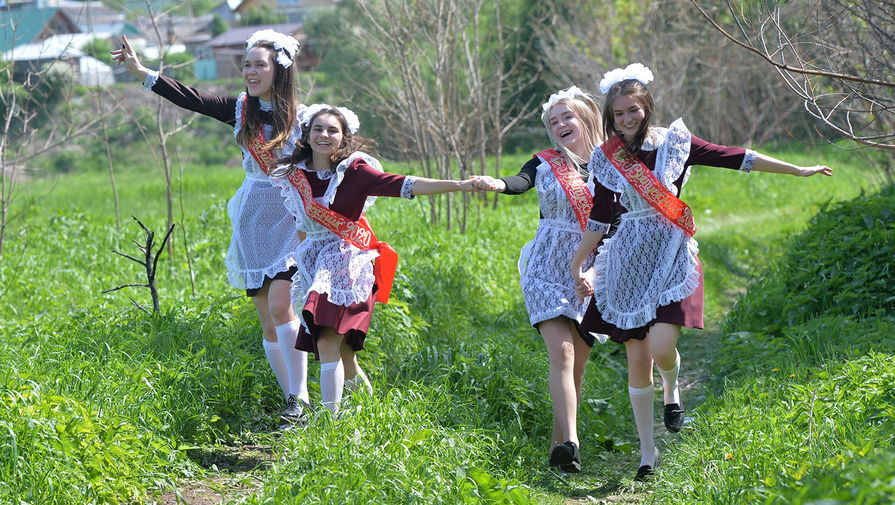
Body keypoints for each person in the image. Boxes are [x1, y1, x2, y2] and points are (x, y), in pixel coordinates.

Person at [570, 63, 833, 481]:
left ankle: (672, 390)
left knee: (660, 348)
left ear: (646, 108)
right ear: (610, 117)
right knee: (637, 361)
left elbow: (735, 157)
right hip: (627, 263)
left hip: (673, 254)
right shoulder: (607, 158)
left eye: (632, 111)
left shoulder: (676, 142)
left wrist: (797, 170)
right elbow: (600, 219)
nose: (625, 120)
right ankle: (646, 452)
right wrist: (578, 265)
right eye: (617, 114)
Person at [111, 30, 329, 426]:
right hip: (251, 220)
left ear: (279, 69)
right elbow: (192, 98)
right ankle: (296, 404)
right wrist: (141, 71)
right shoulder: (241, 110)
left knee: (283, 304)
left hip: (291, 220)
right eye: (246, 64)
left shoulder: (305, 118)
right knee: (267, 319)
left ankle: (299, 399)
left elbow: (335, 150)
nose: (250, 71)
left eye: (259, 64)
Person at [272, 104, 476, 414]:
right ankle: (373, 414)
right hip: (315, 264)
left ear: (344, 138)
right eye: (318, 129)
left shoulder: (355, 171)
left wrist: (459, 185)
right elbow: (302, 226)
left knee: (328, 344)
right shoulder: (295, 176)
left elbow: (406, 184)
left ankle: (330, 425)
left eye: (332, 130)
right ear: (307, 134)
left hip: (347, 265)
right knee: (343, 355)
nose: (324, 135)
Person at [470, 86, 615, 474]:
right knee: (562, 354)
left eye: (566, 117)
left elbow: (618, 228)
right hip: (546, 266)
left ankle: (558, 449)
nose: (560, 125)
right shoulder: (546, 162)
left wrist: (592, 273)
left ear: (586, 118)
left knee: (577, 366)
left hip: (593, 270)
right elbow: (519, 181)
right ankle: (574, 444)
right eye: (553, 122)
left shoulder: (612, 167)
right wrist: (497, 184)